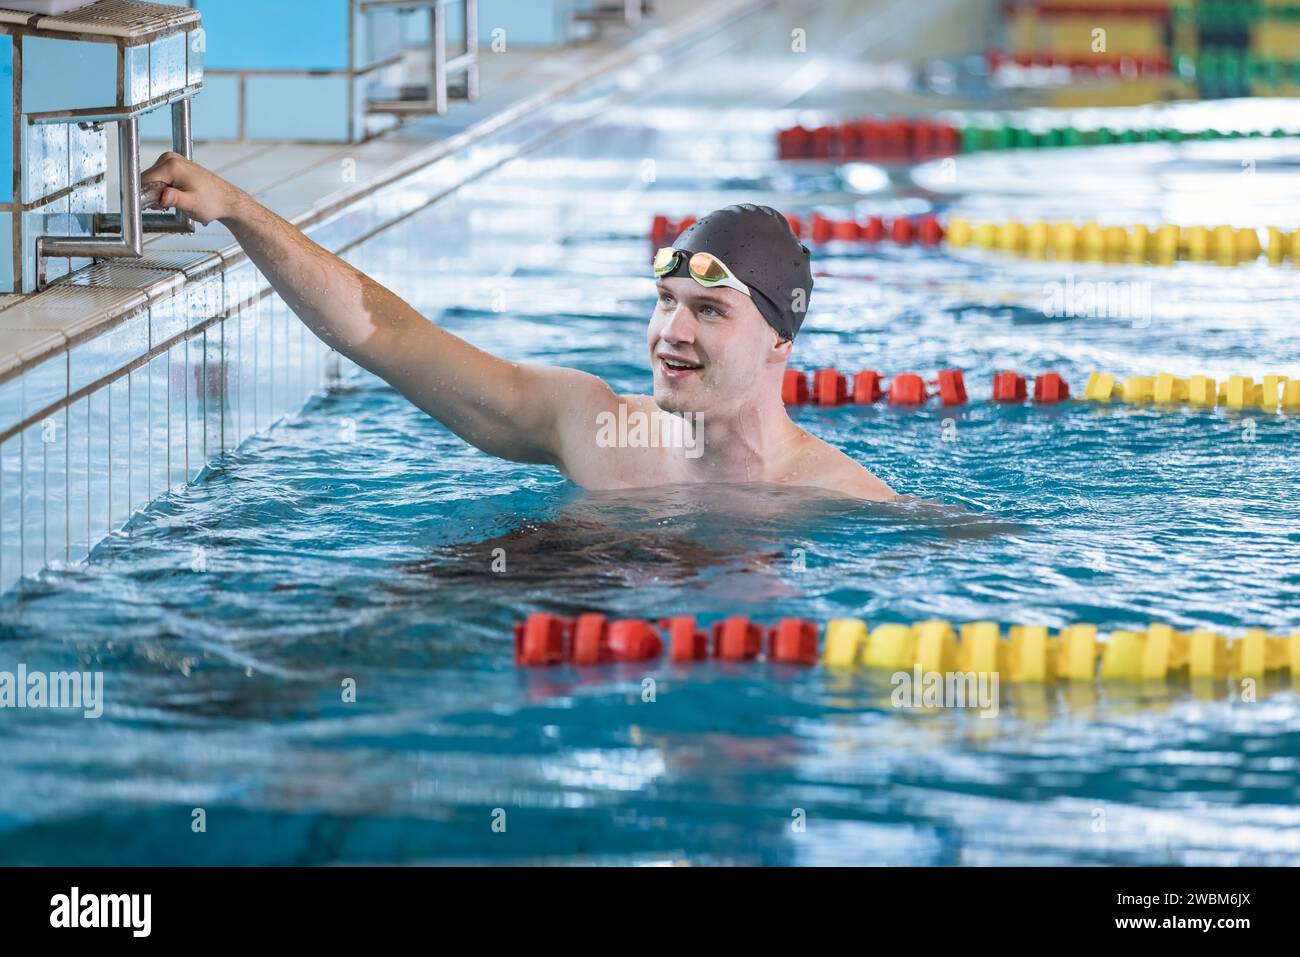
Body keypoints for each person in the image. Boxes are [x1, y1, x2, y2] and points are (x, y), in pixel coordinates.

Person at [140, 153, 897, 501]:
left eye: (707, 310)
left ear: (779, 342)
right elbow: (389, 338)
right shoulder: (588, 425)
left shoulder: (839, 498)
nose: (672, 330)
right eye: (665, 300)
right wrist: (238, 208)